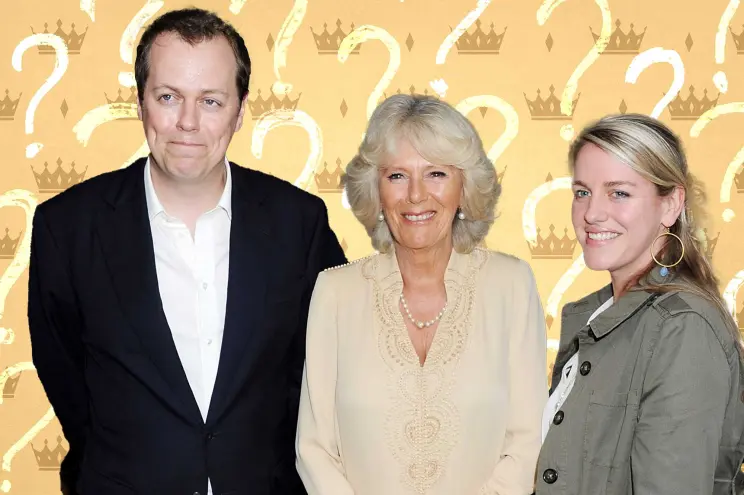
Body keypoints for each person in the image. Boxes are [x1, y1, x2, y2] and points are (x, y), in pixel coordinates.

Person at [27, 7, 346, 494]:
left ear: (240, 111)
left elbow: (325, 369)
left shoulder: (298, 223)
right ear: (140, 103)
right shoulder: (67, 227)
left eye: (211, 101)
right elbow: (65, 374)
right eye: (169, 97)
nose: (188, 122)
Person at [295, 94, 548, 494]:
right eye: (397, 176)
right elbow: (314, 449)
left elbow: (528, 441)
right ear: (375, 190)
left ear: (464, 187)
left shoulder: (512, 285)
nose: (416, 195)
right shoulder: (334, 292)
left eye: (436, 174)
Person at [536, 113, 744, 494]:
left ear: (671, 204)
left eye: (619, 193)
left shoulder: (682, 329)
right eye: (582, 192)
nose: (592, 213)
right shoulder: (595, 313)